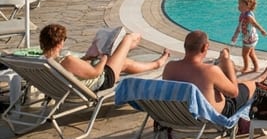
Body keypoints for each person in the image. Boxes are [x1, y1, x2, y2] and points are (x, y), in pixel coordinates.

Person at [163, 30, 267, 117]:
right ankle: (262, 78)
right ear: (205, 47)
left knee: (218, 83)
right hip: (209, 117)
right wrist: (227, 62)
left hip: (179, 115)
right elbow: (234, 92)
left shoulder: (169, 67)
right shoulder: (209, 71)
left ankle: (261, 77)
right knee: (251, 85)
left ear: (185, 46)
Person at [39, 23, 169, 92]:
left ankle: (156, 63)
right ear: (60, 42)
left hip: (68, 88)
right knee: (127, 39)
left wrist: (87, 58)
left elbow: (76, 70)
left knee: (123, 63)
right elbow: (96, 72)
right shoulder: (67, 60)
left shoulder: (42, 61)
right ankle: (131, 42)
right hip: (103, 81)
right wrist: (105, 57)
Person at [231, 0, 267, 74]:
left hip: (249, 39)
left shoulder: (248, 16)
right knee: (251, 53)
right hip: (251, 38)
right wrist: (235, 35)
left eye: (240, 4)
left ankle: (246, 68)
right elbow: (240, 26)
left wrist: (262, 30)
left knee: (244, 54)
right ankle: (256, 68)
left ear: (247, 5)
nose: (238, 6)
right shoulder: (243, 14)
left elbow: (255, 23)